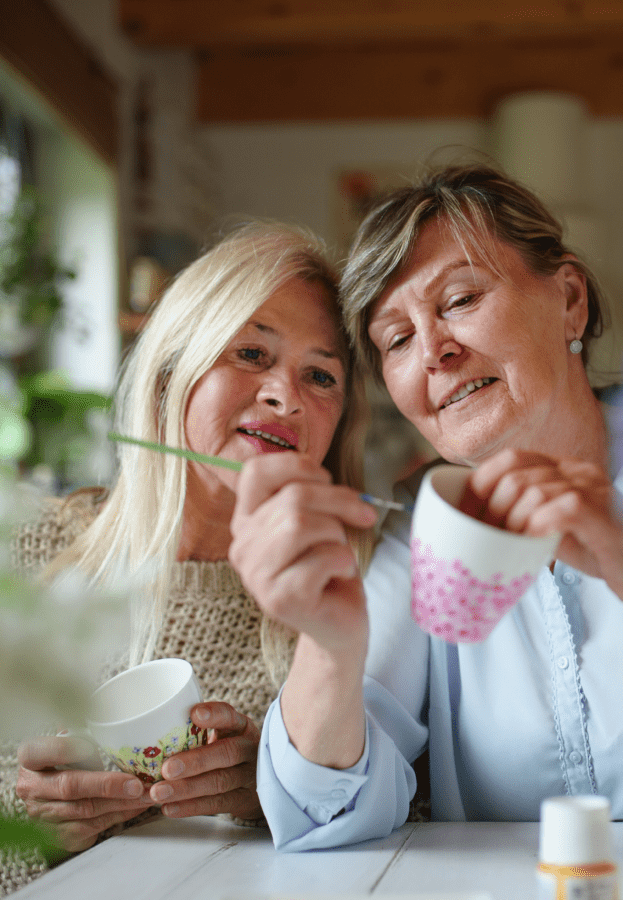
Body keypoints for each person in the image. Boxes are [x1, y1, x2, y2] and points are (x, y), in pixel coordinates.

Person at [228, 163, 623, 850]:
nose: (435, 353)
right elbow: (317, 811)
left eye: (461, 300)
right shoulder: (423, 527)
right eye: (398, 339)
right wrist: (329, 645)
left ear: (570, 299)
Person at [0, 220, 376, 894]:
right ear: (171, 375)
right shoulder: (23, 552)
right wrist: (32, 834)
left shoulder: (350, 592)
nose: (285, 396)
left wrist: (281, 784)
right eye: (252, 354)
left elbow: (409, 817)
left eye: (320, 375)